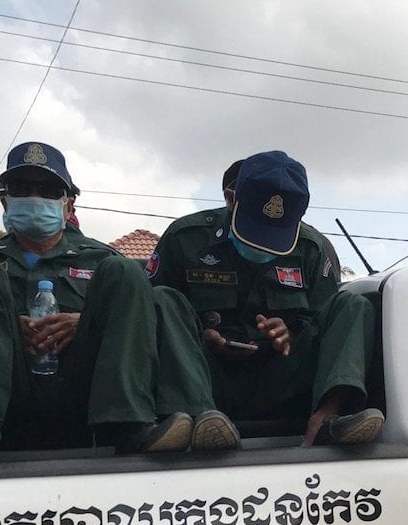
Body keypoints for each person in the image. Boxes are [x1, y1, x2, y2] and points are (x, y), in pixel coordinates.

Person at [0, 141, 231, 462]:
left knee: (124, 272)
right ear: (5, 201)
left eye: (48, 189)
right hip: (7, 389)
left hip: (85, 387)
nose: (34, 197)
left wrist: (85, 323)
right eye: (21, 188)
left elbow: (142, 328)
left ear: (68, 204)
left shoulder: (102, 259)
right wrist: (6, 328)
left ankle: (129, 426)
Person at [147, 150, 383, 447]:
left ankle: (324, 421)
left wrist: (289, 335)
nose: (262, 246)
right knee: (162, 298)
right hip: (204, 377)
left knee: (353, 304)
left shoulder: (310, 248)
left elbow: (321, 326)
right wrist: (198, 336)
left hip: (280, 379)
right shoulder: (185, 238)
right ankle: (199, 424)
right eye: (254, 229)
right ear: (232, 199)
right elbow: (149, 317)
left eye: (276, 234)